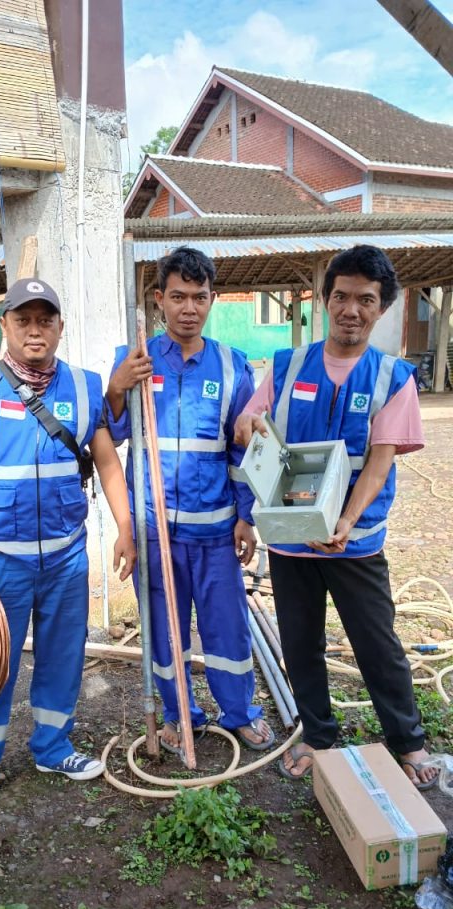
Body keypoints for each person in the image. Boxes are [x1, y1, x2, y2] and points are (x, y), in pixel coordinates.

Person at [234, 245, 438, 789]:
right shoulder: (287, 365)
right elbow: (251, 419)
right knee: (301, 643)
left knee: (377, 643)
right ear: (325, 301)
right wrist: (249, 425)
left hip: (355, 540)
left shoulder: (392, 377)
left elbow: (379, 462)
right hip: (291, 535)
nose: (351, 309)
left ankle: (408, 741)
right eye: (341, 296)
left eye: (365, 300)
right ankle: (319, 735)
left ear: (382, 308)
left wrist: (345, 522)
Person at [0, 278, 136, 828]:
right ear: (3, 325)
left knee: (63, 656)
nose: (34, 330)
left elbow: (108, 464)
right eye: (23, 320)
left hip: (66, 558)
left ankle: (52, 747)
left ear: (59, 327)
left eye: (44, 320)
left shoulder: (84, 386)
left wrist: (125, 527)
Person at [105, 246, 274, 754]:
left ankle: (240, 713)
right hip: (153, 531)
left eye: (199, 297)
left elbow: (240, 448)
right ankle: (180, 715)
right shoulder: (135, 360)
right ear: (159, 299)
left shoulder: (231, 366)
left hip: (215, 531)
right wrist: (116, 389)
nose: (189, 308)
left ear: (212, 299)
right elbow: (113, 435)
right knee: (164, 633)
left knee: (227, 629)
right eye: (178, 297)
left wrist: (246, 518)